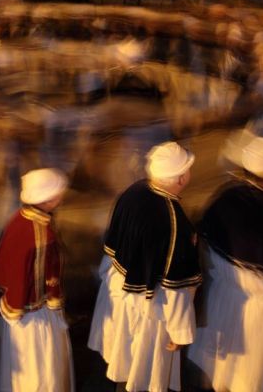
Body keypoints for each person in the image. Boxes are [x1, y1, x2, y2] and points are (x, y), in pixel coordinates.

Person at [188, 135, 263, 392]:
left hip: (221, 300)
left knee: (221, 370)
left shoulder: (223, 196)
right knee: (248, 376)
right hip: (256, 315)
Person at [87, 141, 202, 392]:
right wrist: (179, 331)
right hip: (151, 310)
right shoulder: (173, 221)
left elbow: (111, 250)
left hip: (120, 294)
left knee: (125, 366)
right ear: (181, 177)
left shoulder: (133, 192)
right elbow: (176, 288)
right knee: (144, 374)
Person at [0, 168, 74, 392]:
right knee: (39, 365)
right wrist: (52, 301)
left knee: (22, 362)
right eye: (58, 192)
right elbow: (31, 272)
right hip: (34, 314)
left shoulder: (20, 218)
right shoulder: (40, 232)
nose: (62, 196)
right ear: (48, 199)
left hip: (18, 307)